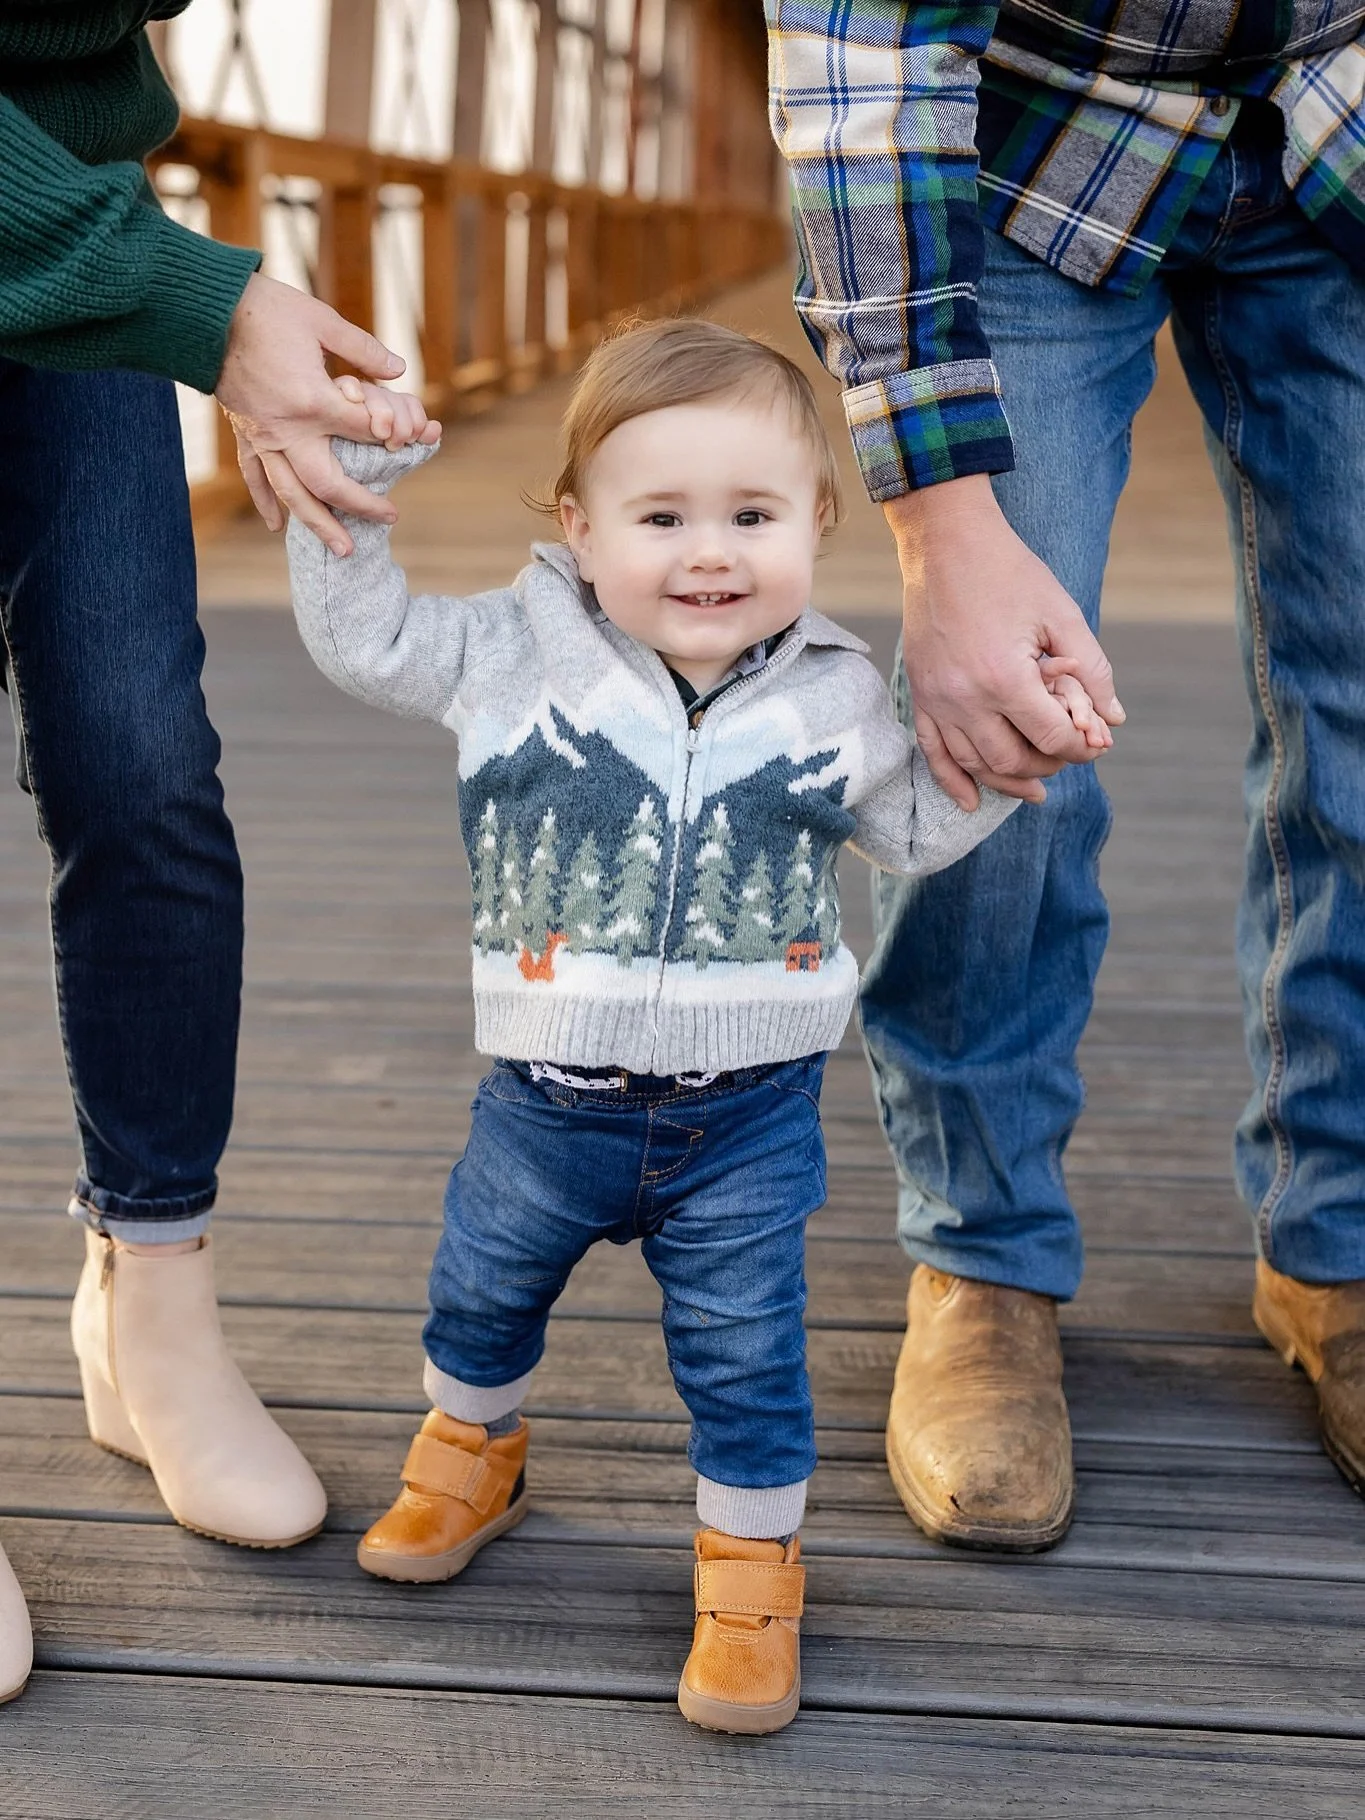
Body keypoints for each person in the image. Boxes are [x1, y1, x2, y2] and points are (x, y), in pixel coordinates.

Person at [282, 319, 1109, 1734]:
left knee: (746, 1356)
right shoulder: (508, 653)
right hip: (543, 1107)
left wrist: (1011, 752)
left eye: (754, 515)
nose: (709, 552)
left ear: (820, 525)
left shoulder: (840, 690)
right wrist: (347, 494)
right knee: (478, 1295)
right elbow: (370, 640)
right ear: (579, 526)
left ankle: (751, 1568)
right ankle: (472, 1446)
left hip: (748, 1119)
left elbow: (908, 828)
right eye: (660, 516)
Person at [766, 0, 1365, 1549]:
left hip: (1342, 117)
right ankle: (981, 1252)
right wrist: (939, 527)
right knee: (1000, 736)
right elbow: (862, 43)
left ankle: (1337, 1246)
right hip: (1031, 130)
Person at [0, 3, 428, 1704]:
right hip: (105, 261)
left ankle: (149, 1305)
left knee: (146, 765)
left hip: (70, 245)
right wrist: (220, 309)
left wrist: (210, 316)